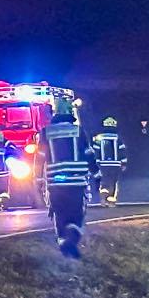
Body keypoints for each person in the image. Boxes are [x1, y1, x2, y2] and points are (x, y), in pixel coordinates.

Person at [44, 105, 93, 257]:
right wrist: (96, 173)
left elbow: (39, 157)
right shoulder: (79, 131)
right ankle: (70, 241)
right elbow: (88, 153)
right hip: (76, 182)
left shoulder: (46, 132)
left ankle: (64, 246)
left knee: (59, 214)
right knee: (77, 216)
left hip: (55, 182)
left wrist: (38, 180)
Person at [91, 116, 125, 205]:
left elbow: (95, 150)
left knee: (104, 181)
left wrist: (96, 162)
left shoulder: (99, 137)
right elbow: (122, 150)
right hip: (115, 165)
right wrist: (124, 162)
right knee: (113, 182)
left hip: (102, 164)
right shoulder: (117, 137)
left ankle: (103, 198)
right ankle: (111, 201)